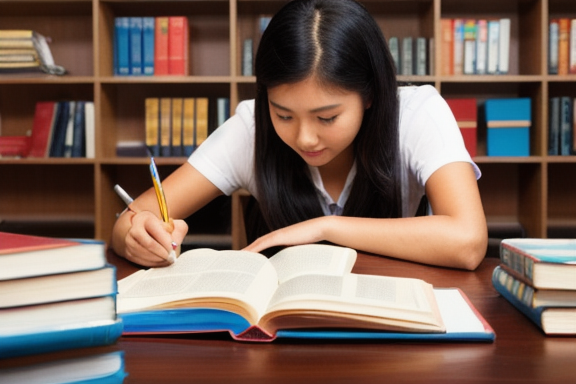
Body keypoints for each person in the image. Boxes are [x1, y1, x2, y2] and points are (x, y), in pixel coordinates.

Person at [111, 0, 487, 270]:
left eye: (327, 117)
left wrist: (326, 228)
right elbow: (131, 218)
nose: (305, 138)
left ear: (370, 95)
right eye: (284, 114)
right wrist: (135, 235)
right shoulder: (252, 129)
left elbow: (467, 241)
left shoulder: (416, 113)